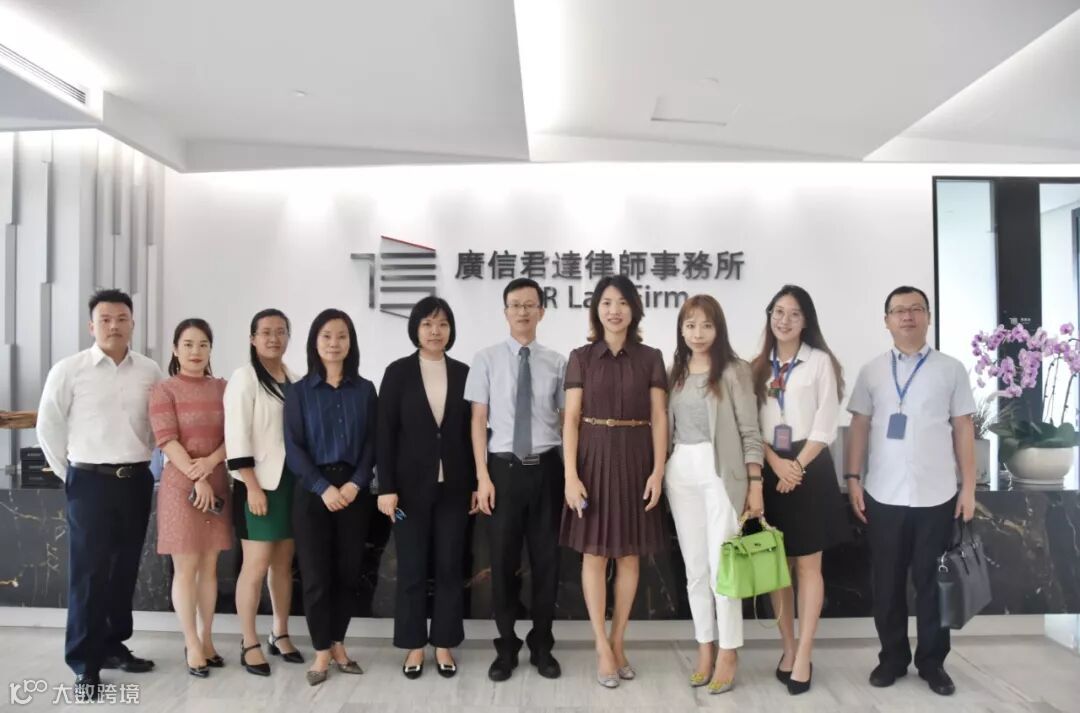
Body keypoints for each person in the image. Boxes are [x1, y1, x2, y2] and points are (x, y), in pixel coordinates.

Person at [845, 285, 976, 697]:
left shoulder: (951, 369)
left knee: (932, 584)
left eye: (916, 309)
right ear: (886, 321)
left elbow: (963, 428)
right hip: (883, 494)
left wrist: (968, 487)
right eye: (898, 310)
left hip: (937, 495)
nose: (907, 316)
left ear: (928, 317)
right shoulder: (871, 371)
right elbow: (859, 426)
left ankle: (933, 663)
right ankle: (892, 659)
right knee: (886, 584)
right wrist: (852, 478)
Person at [37, 289, 163, 700]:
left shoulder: (150, 371)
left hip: (136, 480)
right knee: (89, 573)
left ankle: (112, 645)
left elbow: (159, 424)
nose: (114, 325)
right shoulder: (70, 369)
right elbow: (48, 426)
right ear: (92, 326)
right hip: (89, 481)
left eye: (121, 318)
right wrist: (70, 474)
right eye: (105, 319)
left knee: (124, 569)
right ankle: (84, 663)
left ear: (132, 323)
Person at [561, 274, 668, 689]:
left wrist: (658, 470)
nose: (614, 310)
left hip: (637, 459)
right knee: (593, 554)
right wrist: (571, 475)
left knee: (629, 556)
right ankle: (601, 646)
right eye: (606, 302)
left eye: (622, 302)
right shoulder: (581, 357)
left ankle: (618, 641)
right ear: (596, 309)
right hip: (593, 459)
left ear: (633, 309)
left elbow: (659, 417)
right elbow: (571, 418)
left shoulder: (651, 357)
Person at [465, 278, 566, 682]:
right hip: (502, 472)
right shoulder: (486, 359)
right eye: (515, 305)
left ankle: (542, 645)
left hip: (547, 470)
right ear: (505, 311)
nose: (523, 311)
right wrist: (482, 476)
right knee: (502, 564)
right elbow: (478, 421)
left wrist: (570, 474)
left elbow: (566, 421)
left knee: (547, 564)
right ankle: (506, 646)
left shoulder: (557, 362)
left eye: (530, 305)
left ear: (542, 311)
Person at [749, 285, 849, 695]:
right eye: (778, 311)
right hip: (771, 468)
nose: (784, 320)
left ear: (806, 320)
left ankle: (805, 653)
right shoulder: (757, 366)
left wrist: (796, 467)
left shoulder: (820, 362)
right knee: (778, 567)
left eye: (793, 313)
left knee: (809, 566)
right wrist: (775, 463)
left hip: (810, 467)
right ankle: (787, 648)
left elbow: (826, 424)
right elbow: (750, 424)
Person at [664, 294, 764, 695]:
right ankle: (704, 645)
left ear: (718, 328)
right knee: (695, 569)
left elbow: (750, 432)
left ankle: (729, 649)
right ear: (681, 330)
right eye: (690, 325)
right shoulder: (675, 372)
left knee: (723, 565)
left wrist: (755, 483)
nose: (698, 333)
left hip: (722, 473)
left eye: (706, 325)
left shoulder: (735, 371)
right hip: (680, 471)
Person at [376, 297, 476, 679]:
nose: (436, 331)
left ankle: (444, 643)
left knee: (450, 567)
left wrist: (475, 483)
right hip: (407, 492)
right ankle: (414, 644)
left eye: (443, 324)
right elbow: (384, 433)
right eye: (427, 324)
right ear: (415, 329)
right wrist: (386, 487)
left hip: (455, 489)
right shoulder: (398, 372)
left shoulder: (465, 373)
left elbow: (473, 433)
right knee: (412, 569)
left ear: (451, 330)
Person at [284, 308, 377, 686]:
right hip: (313, 492)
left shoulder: (365, 390)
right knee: (316, 576)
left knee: (348, 573)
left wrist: (355, 483)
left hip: (354, 491)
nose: (334, 343)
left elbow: (373, 442)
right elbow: (293, 448)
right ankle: (321, 650)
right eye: (326, 336)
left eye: (341, 336)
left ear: (351, 343)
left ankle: (338, 643)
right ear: (314, 342)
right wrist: (323, 487)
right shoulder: (298, 392)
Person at [149, 318, 231, 678]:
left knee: (210, 567)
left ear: (211, 349)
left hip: (217, 478)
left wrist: (210, 465)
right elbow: (166, 440)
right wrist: (198, 477)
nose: (195, 351)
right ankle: (191, 643)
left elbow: (236, 435)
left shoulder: (224, 388)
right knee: (186, 569)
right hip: (180, 485)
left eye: (203, 344)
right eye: (188, 344)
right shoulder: (164, 390)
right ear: (175, 349)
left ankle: (207, 639)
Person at [224, 309, 304, 676]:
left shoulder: (295, 379)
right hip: (257, 485)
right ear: (253, 338)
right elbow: (236, 435)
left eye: (281, 331)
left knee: (283, 565)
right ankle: (249, 641)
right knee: (255, 566)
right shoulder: (245, 378)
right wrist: (252, 486)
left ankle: (280, 633)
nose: (274, 338)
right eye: (266, 332)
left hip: (291, 484)